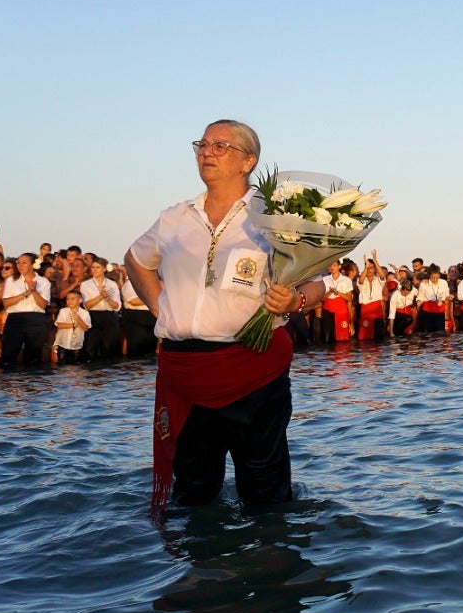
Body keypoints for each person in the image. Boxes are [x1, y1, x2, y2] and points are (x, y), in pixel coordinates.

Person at [125, 119, 326, 514]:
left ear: (248, 161)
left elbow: (316, 282)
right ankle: (202, 568)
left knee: (264, 488)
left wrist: (294, 303)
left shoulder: (272, 217)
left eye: (220, 146)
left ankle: (269, 565)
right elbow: (136, 260)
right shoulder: (175, 218)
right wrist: (160, 307)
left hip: (253, 365)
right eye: (202, 144)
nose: (206, 152)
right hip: (184, 370)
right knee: (193, 489)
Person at [0, 252, 52, 367]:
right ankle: (9, 382)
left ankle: (32, 383)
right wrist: (25, 293)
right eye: (18, 263)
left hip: (36, 319)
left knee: (33, 358)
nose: (20, 265)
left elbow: (43, 305)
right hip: (15, 319)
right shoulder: (11, 280)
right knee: (8, 356)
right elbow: (6, 303)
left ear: (32, 265)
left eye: (24, 263)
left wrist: (33, 290)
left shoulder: (44, 282)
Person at [79, 257, 122, 359]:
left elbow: (117, 306)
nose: (94, 270)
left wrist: (107, 299)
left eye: (97, 267)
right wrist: (100, 297)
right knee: (91, 346)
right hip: (93, 316)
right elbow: (87, 305)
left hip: (110, 317)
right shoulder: (86, 284)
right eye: (93, 267)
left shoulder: (112, 284)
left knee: (109, 347)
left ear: (104, 269)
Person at [52, 289, 91, 366]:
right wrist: (74, 325)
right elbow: (59, 325)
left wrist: (78, 319)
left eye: (73, 299)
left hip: (77, 345)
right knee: (62, 366)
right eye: (68, 299)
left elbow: (86, 328)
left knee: (76, 366)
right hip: (63, 344)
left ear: (80, 300)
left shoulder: (85, 313)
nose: (70, 301)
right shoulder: (63, 311)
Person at [356, 256, 387, 341]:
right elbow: (361, 281)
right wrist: (366, 267)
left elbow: (382, 276)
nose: (369, 270)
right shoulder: (361, 279)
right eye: (367, 268)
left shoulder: (378, 280)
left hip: (376, 309)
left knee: (378, 338)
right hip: (365, 310)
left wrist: (375, 262)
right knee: (365, 337)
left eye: (371, 268)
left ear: (375, 269)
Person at [416, 265, 451, 333]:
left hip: (440, 312)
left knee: (440, 333)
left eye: (437, 277)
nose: (435, 279)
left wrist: (449, 297)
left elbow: (446, 297)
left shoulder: (444, 283)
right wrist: (418, 302)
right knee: (427, 334)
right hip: (427, 312)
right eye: (433, 277)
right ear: (429, 275)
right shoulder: (424, 284)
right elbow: (420, 297)